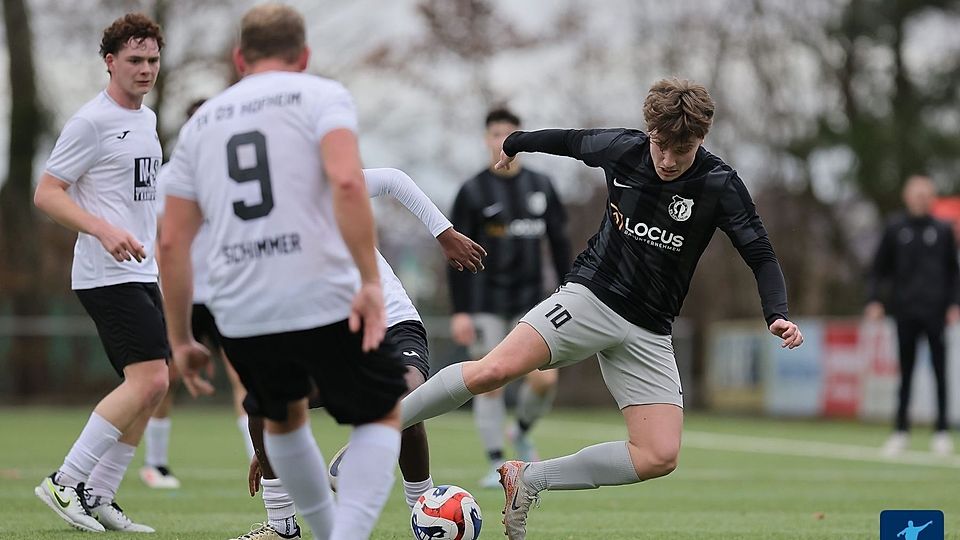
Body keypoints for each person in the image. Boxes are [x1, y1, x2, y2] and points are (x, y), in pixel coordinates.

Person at [398, 78, 804, 540]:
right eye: (661, 146)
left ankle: (527, 479)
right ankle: (381, 427)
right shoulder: (624, 149)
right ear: (649, 132)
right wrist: (515, 142)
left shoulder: (719, 184)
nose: (668, 160)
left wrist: (776, 312)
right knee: (493, 371)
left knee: (658, 456)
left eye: (682, 150)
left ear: (702, 138)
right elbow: (569, 141)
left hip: (650, 329)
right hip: (590, 297)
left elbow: (761, 253)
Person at [158, 5, 419, 539]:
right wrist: (370, 282)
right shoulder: (321, 96)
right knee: (384, 411)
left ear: (240, 59)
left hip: (242, 308)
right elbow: (347, 182)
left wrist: (181, 337)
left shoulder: (200, 124)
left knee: (281, 417)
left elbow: (171, 241)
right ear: (304, 56)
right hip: (317, 292)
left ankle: (313, 530)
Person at [229, 167, 485, 540]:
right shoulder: (263, 238)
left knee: (407, 398)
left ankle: (424, 508)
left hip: (392, 324)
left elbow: (394, 180)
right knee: (264, 400)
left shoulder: (323, 182)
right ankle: (282, 527)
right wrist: (276, 438)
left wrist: (444, 233)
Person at [31, 13, 165, 533]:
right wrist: (102, 229)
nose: (145, 69)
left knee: (153, 387)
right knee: (150, 379)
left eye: (152, 59)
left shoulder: (148, 119)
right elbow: (47, 193)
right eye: (135, 59)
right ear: (110, 61)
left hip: (142, 270)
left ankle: (98, 494)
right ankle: (65, 481)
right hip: (105, 274)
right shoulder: (90, 121)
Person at [449, 108, 571, 487]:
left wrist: (570, 288)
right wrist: (460, 311)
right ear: (486, 139)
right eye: (495, 133)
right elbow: (454, 253)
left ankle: (520, 431)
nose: (501, 139)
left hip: (533, 301)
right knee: (489, 381)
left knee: (545, 381)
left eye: (508, 132)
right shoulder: (472, 191)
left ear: (520, 138)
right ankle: (496, 464)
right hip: (485, 302)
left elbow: (560, 242)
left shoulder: (542, 186)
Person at [141, 98, 255, 490]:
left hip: (227, 294)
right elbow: (163, 240)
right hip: (183, 296)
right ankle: (155, 464)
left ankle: (260, 460)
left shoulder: (236, 174)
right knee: (165, 377)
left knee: (245, 376)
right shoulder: (170, 178)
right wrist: (165, 289)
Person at [866, 175, 959, 457]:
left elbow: (953, 272)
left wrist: (954, 304)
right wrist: (874, 300)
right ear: (907, 197)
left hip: (935, 312)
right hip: (905, 311)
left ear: (932, 198)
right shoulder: (895, 228)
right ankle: (900, 430)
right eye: (916, 194)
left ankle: (941, 431)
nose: (921, 199)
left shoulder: (943, 230)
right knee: (905, 373)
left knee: (940, 372)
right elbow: (878, 269)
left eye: (925, 195)